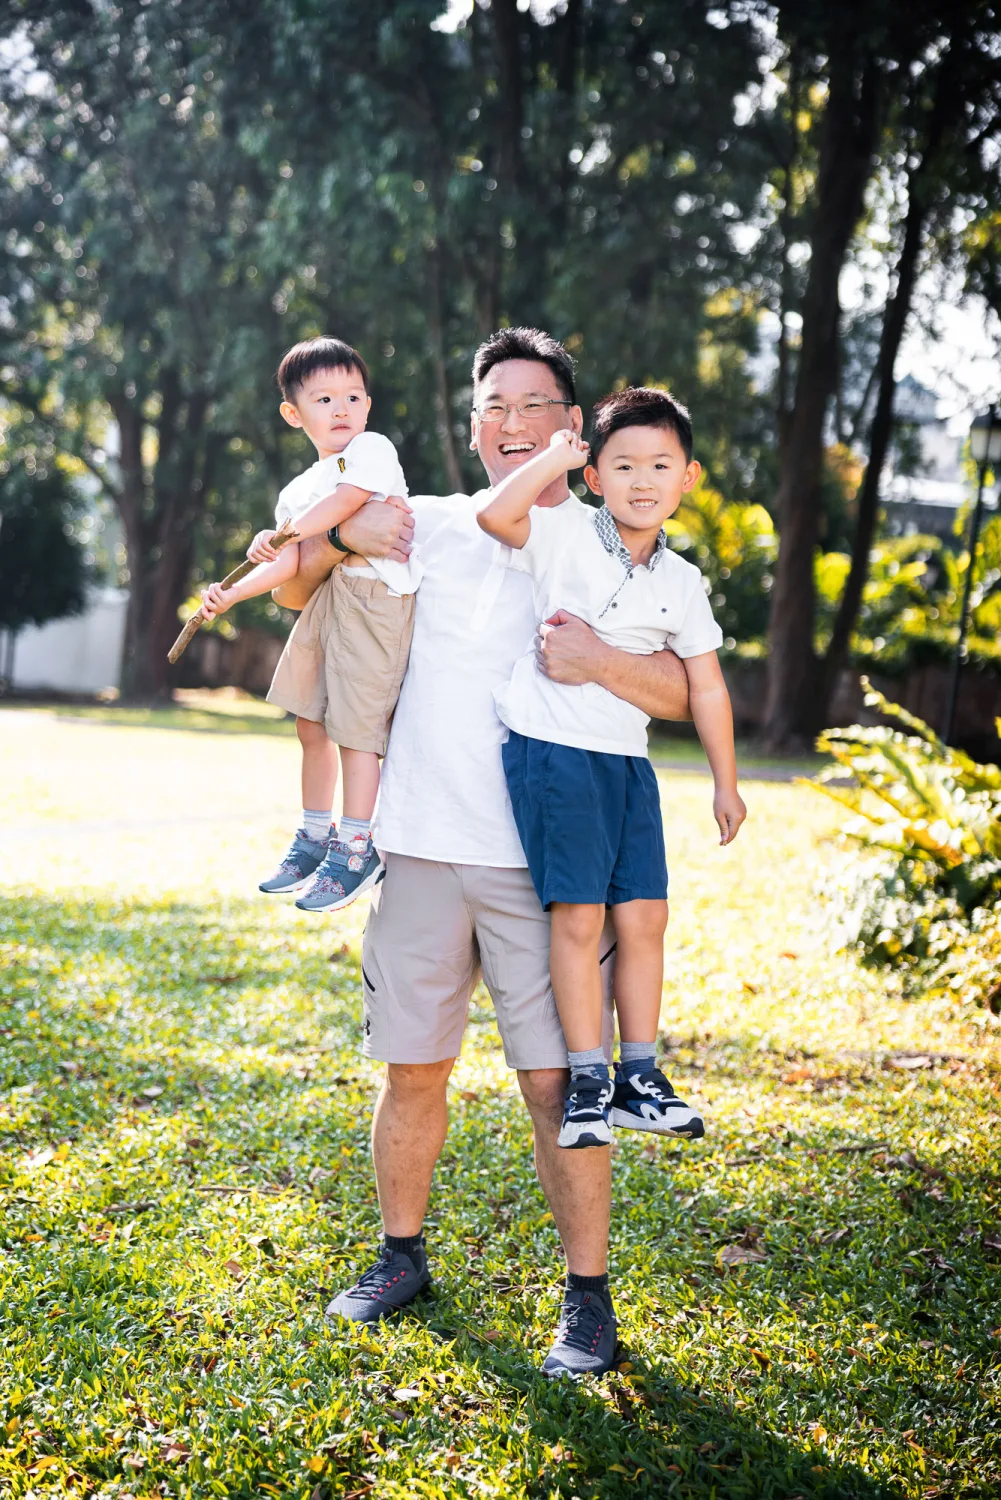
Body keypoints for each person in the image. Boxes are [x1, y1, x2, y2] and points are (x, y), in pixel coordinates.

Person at [273, 329, 695, 1378]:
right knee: (412, 1069)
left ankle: (586, 1300)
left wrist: (599, 661)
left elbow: (688, 695)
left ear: (572, 425)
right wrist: (334, 534)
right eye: (489, 406)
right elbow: (291, 587)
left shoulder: (615, 545)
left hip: (545, 876)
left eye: (531, 405)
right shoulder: (431, 523)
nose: (507, 425)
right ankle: (400, 1257)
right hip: (416, 845)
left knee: (559, 1088)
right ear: (470, 425)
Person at [478, 387, 746, 1151]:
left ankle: (638, 1076)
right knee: (579, 917)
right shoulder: (563, 534)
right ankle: (586, 1080)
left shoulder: (682, 580)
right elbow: (496, 517)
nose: (641, 480)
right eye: (621, 465)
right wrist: (552, 460)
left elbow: (707, 685)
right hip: (553, 750)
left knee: (645, 917)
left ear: (687, 477)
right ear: (594, 476)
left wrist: (725, 780)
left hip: (629, 763)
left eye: (660, 465)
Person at [199, 336, 419, 912]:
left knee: (357, 730)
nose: (341, 408)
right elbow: (291, 565)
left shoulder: (371, 451)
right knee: (310, 723)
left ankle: (356, 845)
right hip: (330, 599)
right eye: (324, 399)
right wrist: (232, 595)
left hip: (375, 601)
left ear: (368, 405)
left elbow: (346, 505)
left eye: (352, 395)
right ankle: (315, 834)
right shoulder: (297, 491)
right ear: (294, 414)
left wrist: (289, 532)